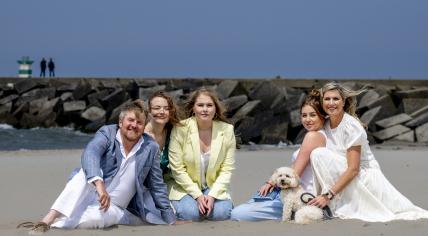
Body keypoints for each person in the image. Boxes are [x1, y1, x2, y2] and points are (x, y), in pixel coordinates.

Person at [25, 100, 176, 233]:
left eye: (139, 123)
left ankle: (57, 225)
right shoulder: (107, 133)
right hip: (91, 191)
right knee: (83, 174)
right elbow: (91, 153)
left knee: (94, 220)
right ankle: (47, 220)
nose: (134, 126)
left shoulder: (150, 147)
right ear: (120, 122)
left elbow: (157, 185)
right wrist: (99, 183)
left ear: (144, 127)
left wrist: (170, 219)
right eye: (130, 120)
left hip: (115, 207)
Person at [308, 81, 428, 222]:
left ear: (343, 101)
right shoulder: (326, 124)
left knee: (318, 154)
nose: (331, 103)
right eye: (327, 99)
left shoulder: (350, 126)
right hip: (344, 172)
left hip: (365, 175)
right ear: (322, 102)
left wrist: (328, 195)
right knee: (317, 153)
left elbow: (353, 169)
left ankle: (328, 202)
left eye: (336, 99)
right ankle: (320, 199)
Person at [231, 90, 327, 221]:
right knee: (251, 203)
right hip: (291, 190)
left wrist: (271, 182)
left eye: (312, 115)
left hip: (298, 196)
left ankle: (290, 213)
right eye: (304, 115)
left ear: (322, 116)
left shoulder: (312, 136)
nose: (307, 119)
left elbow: (295, 173)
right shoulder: (323, 135)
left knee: (238, 214)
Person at [167, 88, 235, 221]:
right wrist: (198, 195)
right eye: (200, 105)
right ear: (193, 108)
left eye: (209, 105)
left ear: (215, 108)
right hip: (184, 187)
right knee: (191, 214)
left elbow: (227, 169)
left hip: (213, 186)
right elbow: (177, 169)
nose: (205, 109)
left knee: (221, 214)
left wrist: (212, 195)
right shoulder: (180, 128)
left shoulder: (227, 130)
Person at [144, 91, 181, 175]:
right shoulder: (140, 135)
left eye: (166, 108)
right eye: (157, 108)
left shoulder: (172, 132)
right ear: (149, 111)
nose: (162, 112)